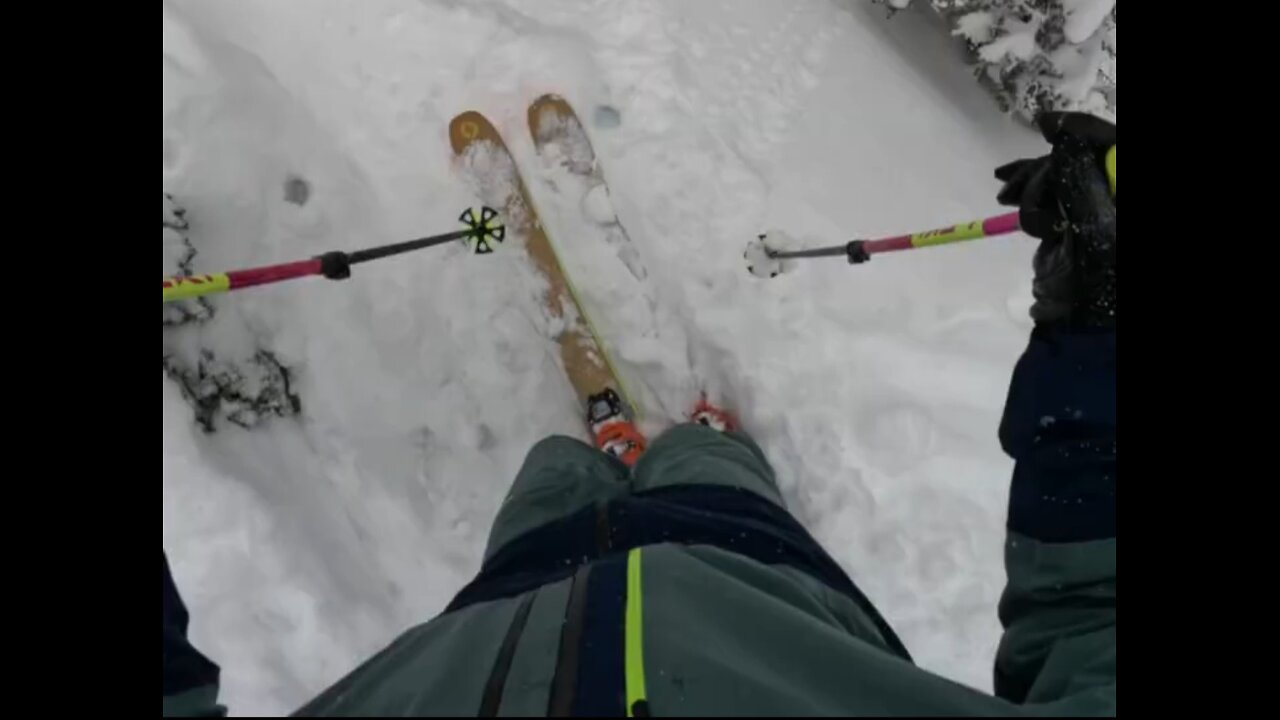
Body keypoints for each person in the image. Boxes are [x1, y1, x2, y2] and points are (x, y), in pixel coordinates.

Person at [163, 112, 1115, 717]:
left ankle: (615, 448)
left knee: (549, 469)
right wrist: (1097, 334)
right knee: (708, 462)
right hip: (747, 572)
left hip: (517, 585)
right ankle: (683, 445)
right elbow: (1096, 629)